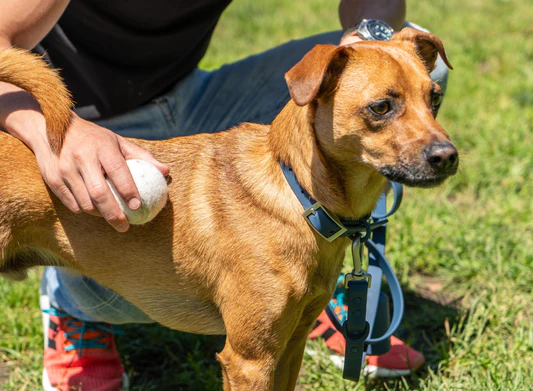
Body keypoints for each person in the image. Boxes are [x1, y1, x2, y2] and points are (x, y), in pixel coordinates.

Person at [0, 1, 448, 389]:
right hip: (74, 117)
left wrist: (369, 41)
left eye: (432, 102)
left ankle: (327, 297)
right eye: (381, 109)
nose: (438, 141)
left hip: (186, 91)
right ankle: (73, 309)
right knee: (252, 352)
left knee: (410, 57)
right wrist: (56, 135)